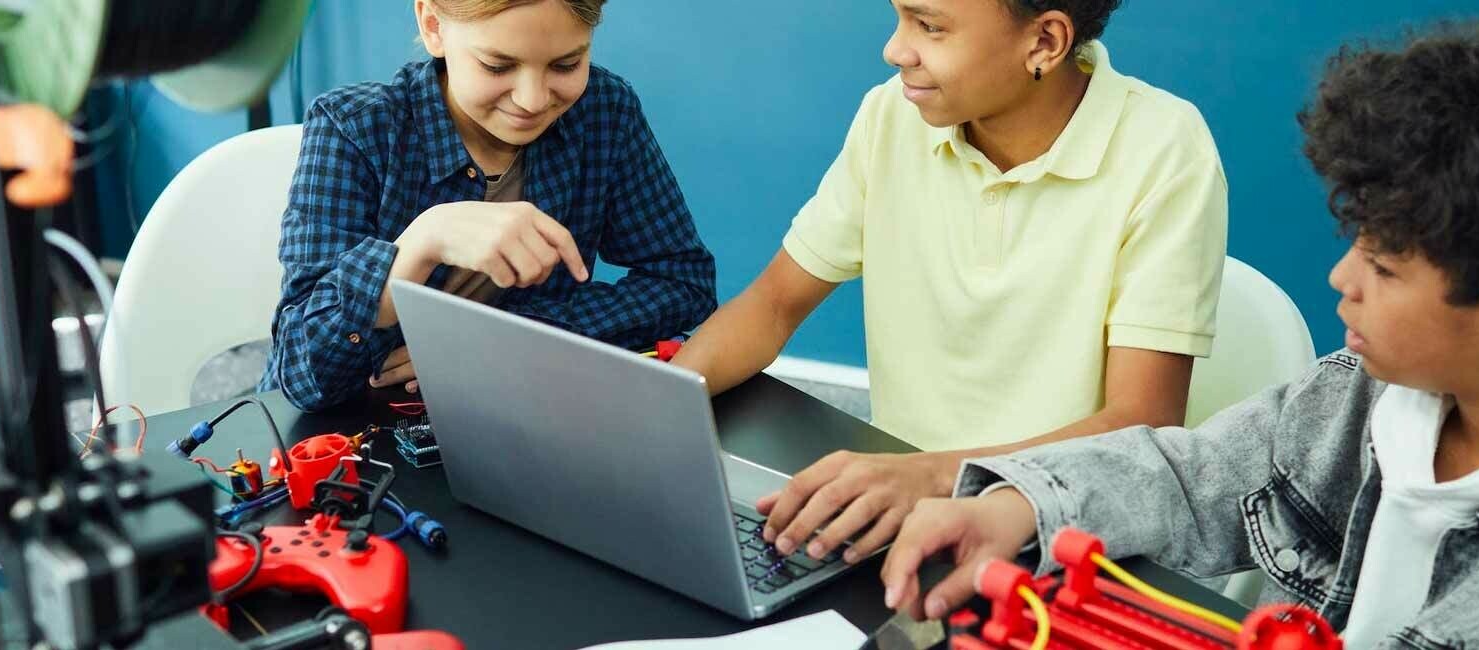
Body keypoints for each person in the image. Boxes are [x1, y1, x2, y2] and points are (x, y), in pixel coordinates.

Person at [881, 20, 1479, 647]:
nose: (1341, 280)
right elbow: (1201, 473)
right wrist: (1020, 503)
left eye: (1383, 266)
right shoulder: (1376, 388)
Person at [671, 0, 1228, 566]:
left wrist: (939, 475)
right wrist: (655, 407)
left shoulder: (1163, 148)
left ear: (1044, 43)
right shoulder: (891, 116)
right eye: (898, 18)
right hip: (896, 499)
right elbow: (773, 303)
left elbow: (1142, 422)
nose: (894, 50)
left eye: (929, 26)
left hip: (1057, 532)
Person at [262, 0, 717, 411]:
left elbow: (684, 282)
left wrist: (499, 341)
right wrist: (424, 240)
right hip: (359, 424)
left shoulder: (604, 110)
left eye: (566, 64)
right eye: (497, 65)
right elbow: (302, 371)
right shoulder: (353, 129)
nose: (533, 99)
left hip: (519, 407)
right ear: (433, 25)